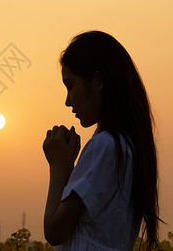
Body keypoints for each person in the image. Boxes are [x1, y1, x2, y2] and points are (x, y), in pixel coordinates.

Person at [42, 30, 164, 250]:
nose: (68, 102)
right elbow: (84, 224)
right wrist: (70, 165)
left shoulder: (106, 146)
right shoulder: (126, 146)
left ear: (97, 81)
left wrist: (58, 167)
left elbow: (54, 231)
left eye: (70, 86)